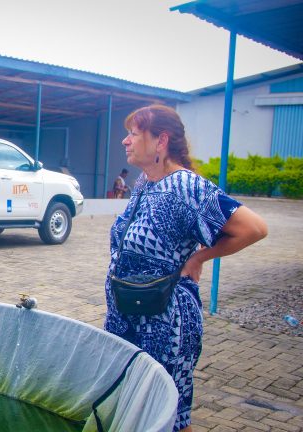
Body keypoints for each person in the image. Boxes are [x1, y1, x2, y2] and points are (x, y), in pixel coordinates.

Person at [104, 104, 267, 432]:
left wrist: (198, 259)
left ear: (160, 141)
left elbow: (254, 228)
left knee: (168, 416)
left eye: (134, 134)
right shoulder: (144, 183)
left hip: (165, 320)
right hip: (128, 312)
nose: (125, 141)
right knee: (131, 407)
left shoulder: (186, 186)